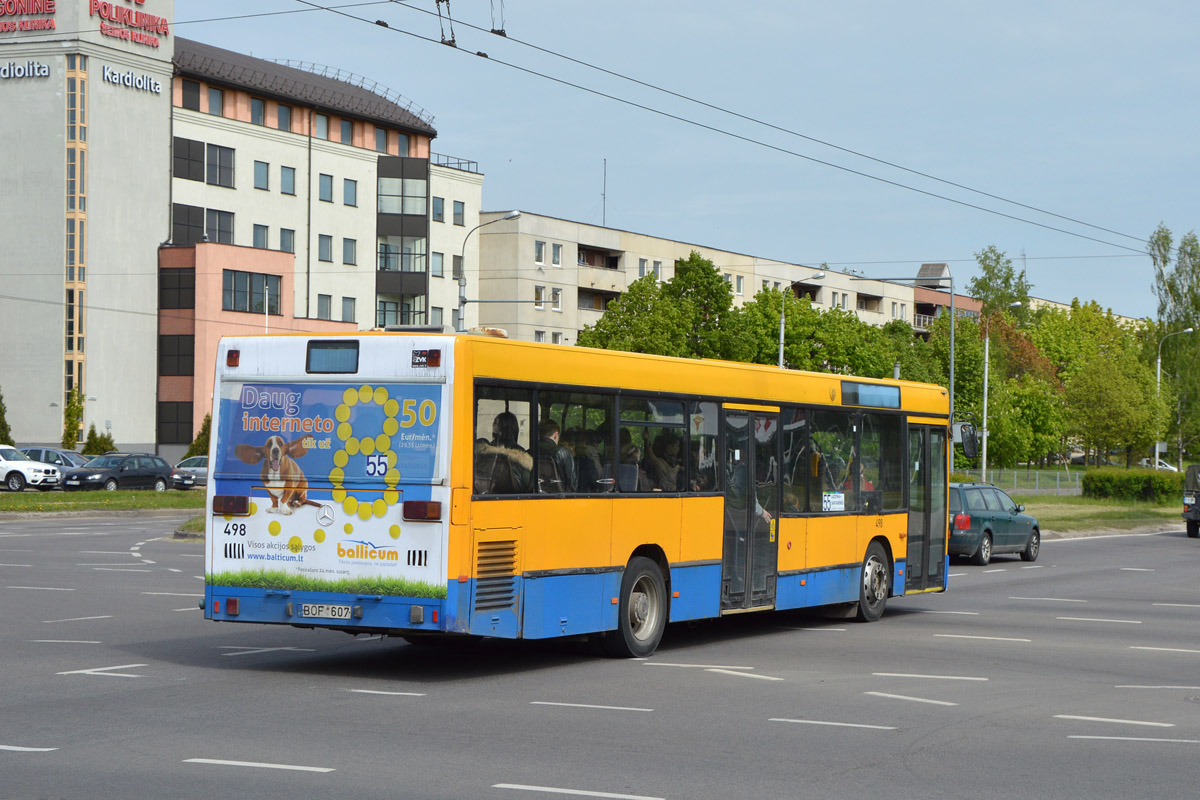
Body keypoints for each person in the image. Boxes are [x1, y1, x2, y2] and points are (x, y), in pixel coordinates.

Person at [474, 411, 532, 493]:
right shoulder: (520, 455)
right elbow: (528, 483)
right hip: (514, 495)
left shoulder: (486, 450)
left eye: (496, 423)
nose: (492, 425)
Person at [537, 418, 577, 493]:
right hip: (559, 498)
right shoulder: (562, 452)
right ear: (556, 435)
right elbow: (572, 484)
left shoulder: (530, 452)